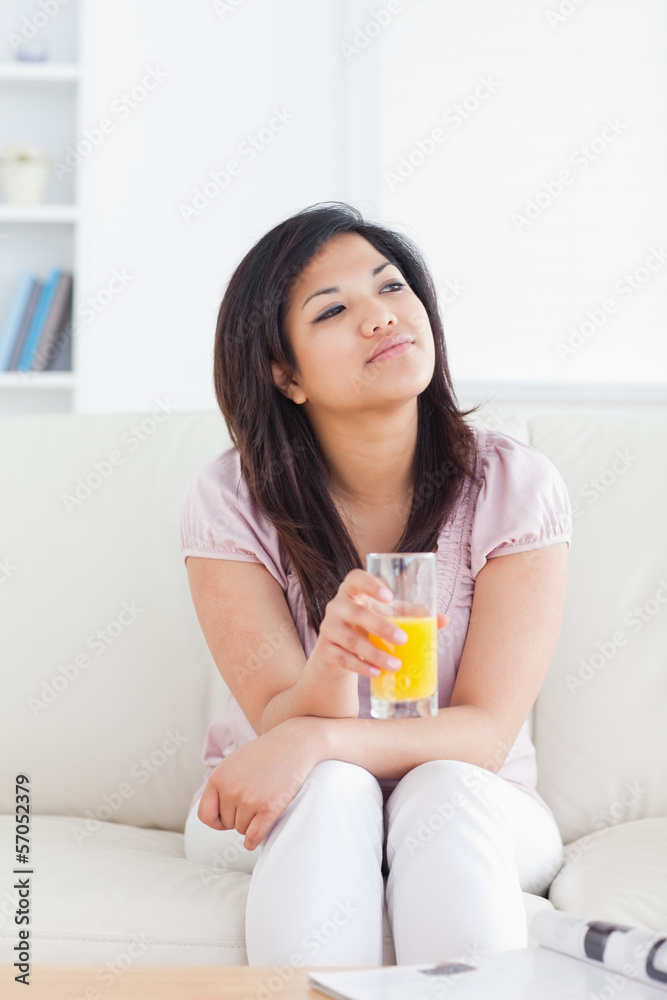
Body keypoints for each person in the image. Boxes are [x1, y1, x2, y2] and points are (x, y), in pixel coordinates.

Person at [179, 201, 572, 967]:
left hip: (478, 798)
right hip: (274, 797)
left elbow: (484, 734)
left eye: (391, 288)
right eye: (332, 310)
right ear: (283, 374)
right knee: (331, 789)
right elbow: (274, 724)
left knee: (440, 788)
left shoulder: (513, 486)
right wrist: (327, 673)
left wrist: (322, 734)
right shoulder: (229, 500)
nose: (380, 317)